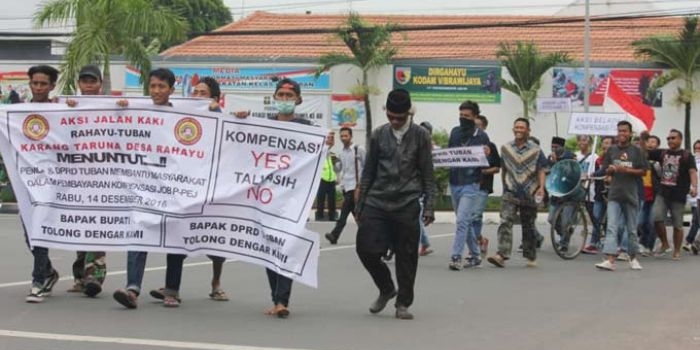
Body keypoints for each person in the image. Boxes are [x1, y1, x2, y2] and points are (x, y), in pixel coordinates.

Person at [147, 76, 231, 305]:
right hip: (185, 185)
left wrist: (217, 112)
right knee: (179, 233)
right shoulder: (182, 116)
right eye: (195, 92)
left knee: (213, 238)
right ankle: (172, 288)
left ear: (214, 97)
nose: (197, 97)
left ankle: (216, 283)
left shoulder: (218, 116)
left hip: (211, 184)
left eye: (203, 93)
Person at [356, 88, 435, 320]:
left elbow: (427, 174)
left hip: (407, 202)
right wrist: (360, 205)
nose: (395, 121)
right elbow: (369, 172)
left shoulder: (421, 136)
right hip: (377, 200)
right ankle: (386, 287)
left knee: (407, 255)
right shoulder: (379, 134)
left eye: (400, 118)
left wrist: (429, 205)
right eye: (391, 116)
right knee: (365, 248)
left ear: (409, 113)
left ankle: (403, 303)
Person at [112, 68, 178, 309]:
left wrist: (215, 109)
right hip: (144, 188)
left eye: (162, 87)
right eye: (153, 86)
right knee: (138, 233)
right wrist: (120, 109)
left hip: (174, 189)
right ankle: (132, 289)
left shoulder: (183, 116)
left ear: (172, 90)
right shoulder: (137, 112)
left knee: (175, 239)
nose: (157, 91)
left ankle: (172, 290)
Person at [65, 65, 108, 297]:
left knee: (98, 229)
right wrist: (64, 107)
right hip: (78, 179)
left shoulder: (110, 107)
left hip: (103, 180)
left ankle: (95, 278)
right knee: (80, 229)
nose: (88, 85)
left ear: (100, 84)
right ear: (79, 84)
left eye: (93, 81)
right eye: (85, 81)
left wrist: (122, 108)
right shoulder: (70, 107)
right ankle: (80, 277)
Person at [486, 118, 546, 268]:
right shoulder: (506, 148)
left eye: (522, 127)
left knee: (528, 225)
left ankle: (531, 255)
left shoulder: (536, 150)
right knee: (505, 221)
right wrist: (505, 186)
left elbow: (541, 169)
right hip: (510, 191)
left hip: (530, 191)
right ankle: (501, 254)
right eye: (516, 127)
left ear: (528, 130)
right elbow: (504, 168)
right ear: (513, 129)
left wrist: (541, 188)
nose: (519, 129)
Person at [24, 65, 61, 303]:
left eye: (43, 84)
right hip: (25, 180)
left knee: (39, 230)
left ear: (52, 86)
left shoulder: (58, 111)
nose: (38, 88)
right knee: (29, 233)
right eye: (34, 83)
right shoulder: (16, 111)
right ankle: (48, 271)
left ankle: (38, 281)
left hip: (51, 181)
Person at [595, 121, 647, 271]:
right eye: (619, 131)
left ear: (630, 133)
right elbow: (605, 170)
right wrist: (610, 171)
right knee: (612, 227)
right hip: (614, 194)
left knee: (631, 229)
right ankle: (610, 260)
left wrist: (626, 170)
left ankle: (633, 258)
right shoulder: (611, 150)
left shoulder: (637, 151)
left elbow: (644, 171)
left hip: (631, 195)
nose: (622, 134)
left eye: (625, 131)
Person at [447, 101, 490, 270]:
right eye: (461, 115)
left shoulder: (481, 136)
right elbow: (449, 154)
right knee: (464, 221)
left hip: (471, 184)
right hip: (454, 182)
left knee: (463, 221)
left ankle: (456, 256)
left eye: (467, 116)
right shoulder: (455, 133)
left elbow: (488, 159)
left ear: (474, 117)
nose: (463, 118)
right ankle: (476, 254)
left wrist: (487, 153)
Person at [644, 129, 697, 260]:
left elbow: (692, 172)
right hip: (663, 193)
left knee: (677, 224)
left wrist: (694, 186)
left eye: (673, 138)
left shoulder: (687, 155)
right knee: (656, 217)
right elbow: (644, 153)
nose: (670, 141)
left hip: (679, 194)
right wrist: (642, 139)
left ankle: (677, 251)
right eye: (668, 138)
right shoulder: (662, 153)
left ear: (680, 139)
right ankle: (665, 244)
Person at [325, 127, 365, 245]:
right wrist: (330, 155)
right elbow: (338, 168)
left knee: (344, 212)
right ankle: (367, 236)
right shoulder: (341, 152)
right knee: (357, 215)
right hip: (346, 186)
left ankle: (334, 234)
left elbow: (367, 165)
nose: (343, 138)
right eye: (341, 136)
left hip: (356, 187)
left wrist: (362, 184)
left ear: (351, 136)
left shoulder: (359, 149)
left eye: (345, 136)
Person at [546, 136, 579, 251]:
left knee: (566, 221)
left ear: (562, 147)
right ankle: (565, 234)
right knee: (551, 219)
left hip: (569, 195)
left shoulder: (571, 157)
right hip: (556, 194)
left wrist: (557, 163)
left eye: (556, 147)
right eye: (552, 146)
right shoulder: (550, 157)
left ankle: (564, 243)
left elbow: (570, 173)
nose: (554, 149)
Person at [473, 115, 500, 257]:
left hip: (483, 186)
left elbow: (497, 168)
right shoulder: (468, 144)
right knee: (469, 218)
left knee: (476, 216)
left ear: (484, 127)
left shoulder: (490, 146)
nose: (476, 128)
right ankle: (481, 240)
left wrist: (483, 171)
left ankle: (475, 247)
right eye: (473, 125)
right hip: (468, 185)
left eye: (478, 125)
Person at [583, 136, 614, 254]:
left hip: (612, 194)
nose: (605, 145)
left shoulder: (615, 158)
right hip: (599, 194)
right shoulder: (599, 160)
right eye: (604, 143)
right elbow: (598, 173)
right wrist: (591, 176)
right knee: (596, 218)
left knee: (611, 220)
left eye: (608, 143)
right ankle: (593, 243)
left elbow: (603, 171)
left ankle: (612, 243)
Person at [418, 121, 436, 256]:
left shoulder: (435, 150)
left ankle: (421, 244)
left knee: (416, 219)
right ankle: (424, 243)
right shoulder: (413, 146)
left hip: (426, 189)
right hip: (414, 187)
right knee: (416, 219)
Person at [683, 140, 700, 252]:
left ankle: (690, 241)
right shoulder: (691, 161)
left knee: (697, 219)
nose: (698, 150)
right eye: (696, 148)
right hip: (694, 194)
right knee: (696, 220)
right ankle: (695, 243)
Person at [316, 145, 338, 221]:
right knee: (321, 199)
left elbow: (336, 167)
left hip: (332, 180)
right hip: (322, 179)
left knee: (332, 199)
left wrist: (337, 177)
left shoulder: (332, 155)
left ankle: (332, 216)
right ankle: (319, 216)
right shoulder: (319, 155)